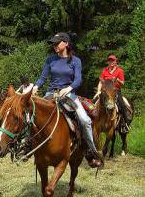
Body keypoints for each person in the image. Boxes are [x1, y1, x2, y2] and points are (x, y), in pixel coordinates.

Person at [32, 32, 103, 168]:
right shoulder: (50, 60)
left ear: (66, 43)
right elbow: (42, 77)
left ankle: (91, 152)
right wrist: (36, 86)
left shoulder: (75, 61)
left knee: (85, 120)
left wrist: (69, 88)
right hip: (50, 94)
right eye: (53, 43)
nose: (54, 45)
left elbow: (78, 80)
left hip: (69, 95)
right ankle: (28, 147)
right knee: (33, 113)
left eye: (57, 43)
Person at [95, 54, 130, 132]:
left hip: (116, 91)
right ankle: (94, 121)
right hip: (105, 92)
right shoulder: (105, 71)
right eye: (110, 60)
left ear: (115, 61)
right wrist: (98, 91)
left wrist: (117, 80)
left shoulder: (120, 71)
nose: (111, 62)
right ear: (108, 62)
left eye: (113, 60)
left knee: (121, 104)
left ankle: (125, 124)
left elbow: (122, 83)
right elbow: (101, 82)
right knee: (95, 104)